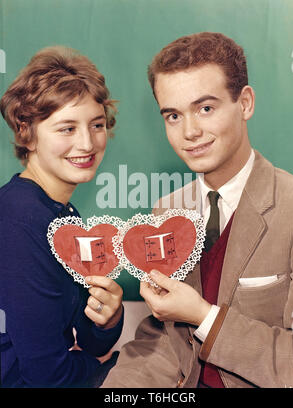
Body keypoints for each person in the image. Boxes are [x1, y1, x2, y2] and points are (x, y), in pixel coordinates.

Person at [102, 32, 293, 388]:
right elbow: (166, 340)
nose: (190, 131)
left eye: (205, 108)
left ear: (245, 103)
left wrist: (203, 316)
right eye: (173, 116)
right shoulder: (168, 209)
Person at [0, 46, 124, 388]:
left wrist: (108, 319)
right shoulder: (19, 219)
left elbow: (92, 338)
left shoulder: (63, 214)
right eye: (67, 128)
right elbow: (47, 378)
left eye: (96, 125)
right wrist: (99, 363)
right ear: (27, 132)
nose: (87, 143)